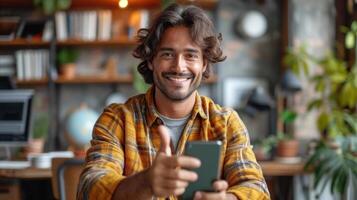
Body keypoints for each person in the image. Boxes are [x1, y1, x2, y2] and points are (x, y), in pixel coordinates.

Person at [78, 3, 270, 200]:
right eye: (168, 54)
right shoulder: (118, 119)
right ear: (151, 60)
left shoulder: (226, 123)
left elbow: (256, 188)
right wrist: (145, 182)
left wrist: (227, 199)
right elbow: (91, 186)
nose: (179, 67)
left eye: (190, 55)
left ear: (204, 64)